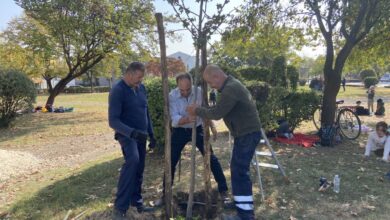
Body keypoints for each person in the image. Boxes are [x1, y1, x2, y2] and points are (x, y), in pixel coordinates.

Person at [187, 64, 262, 220]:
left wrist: (197, 110)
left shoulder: (231, 89)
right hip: (245, 134)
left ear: (217, 76)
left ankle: (245, 214)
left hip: (247, 135)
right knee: (237, 169)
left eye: (211, 83)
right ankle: (241, 203)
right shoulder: (231, 85)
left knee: (239, 171)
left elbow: (217, 113)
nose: (211, 86)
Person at [156, 73, 228, 204]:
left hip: (198, 128)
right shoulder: (172, 96)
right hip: (180, 131)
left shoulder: (199, 92)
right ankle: (165, 195)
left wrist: (210, 125)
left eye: (188, 89)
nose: (185, 92)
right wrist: (187, 119)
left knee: (211, 158)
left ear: (191, 84)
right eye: (182, 90)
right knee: (170, 161)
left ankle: (223, 191)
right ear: (177, 86)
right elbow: (174, 119)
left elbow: (206, 109)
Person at [108, 62, 156, 220]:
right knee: (133, 161)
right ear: (129, 73)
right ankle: (120, 207)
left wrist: (152, 134)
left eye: (142, 78)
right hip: (126, 135)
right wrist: (133, 133)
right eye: (139, 77)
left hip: (141, 134)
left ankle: (136, 202)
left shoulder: (141, 88)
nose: (141, 81)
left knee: (140, 166)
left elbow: (145, 111)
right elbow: (113, 121)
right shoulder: (118, 90)